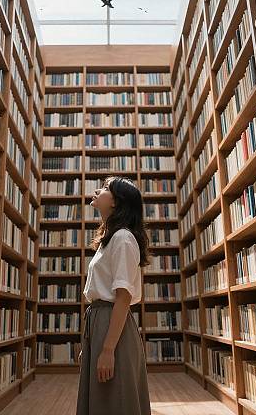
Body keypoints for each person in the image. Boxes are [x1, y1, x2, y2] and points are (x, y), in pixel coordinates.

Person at [76, 176, 152, 415]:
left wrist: (107, 349)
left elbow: (123, 298)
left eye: (106, 188)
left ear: (117, 203)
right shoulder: (110, 239)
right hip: (100, 323)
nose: (98, 190)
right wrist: (91, 342)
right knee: (104, 400)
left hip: (112, 325)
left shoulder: (122, 238)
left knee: (115, 400)